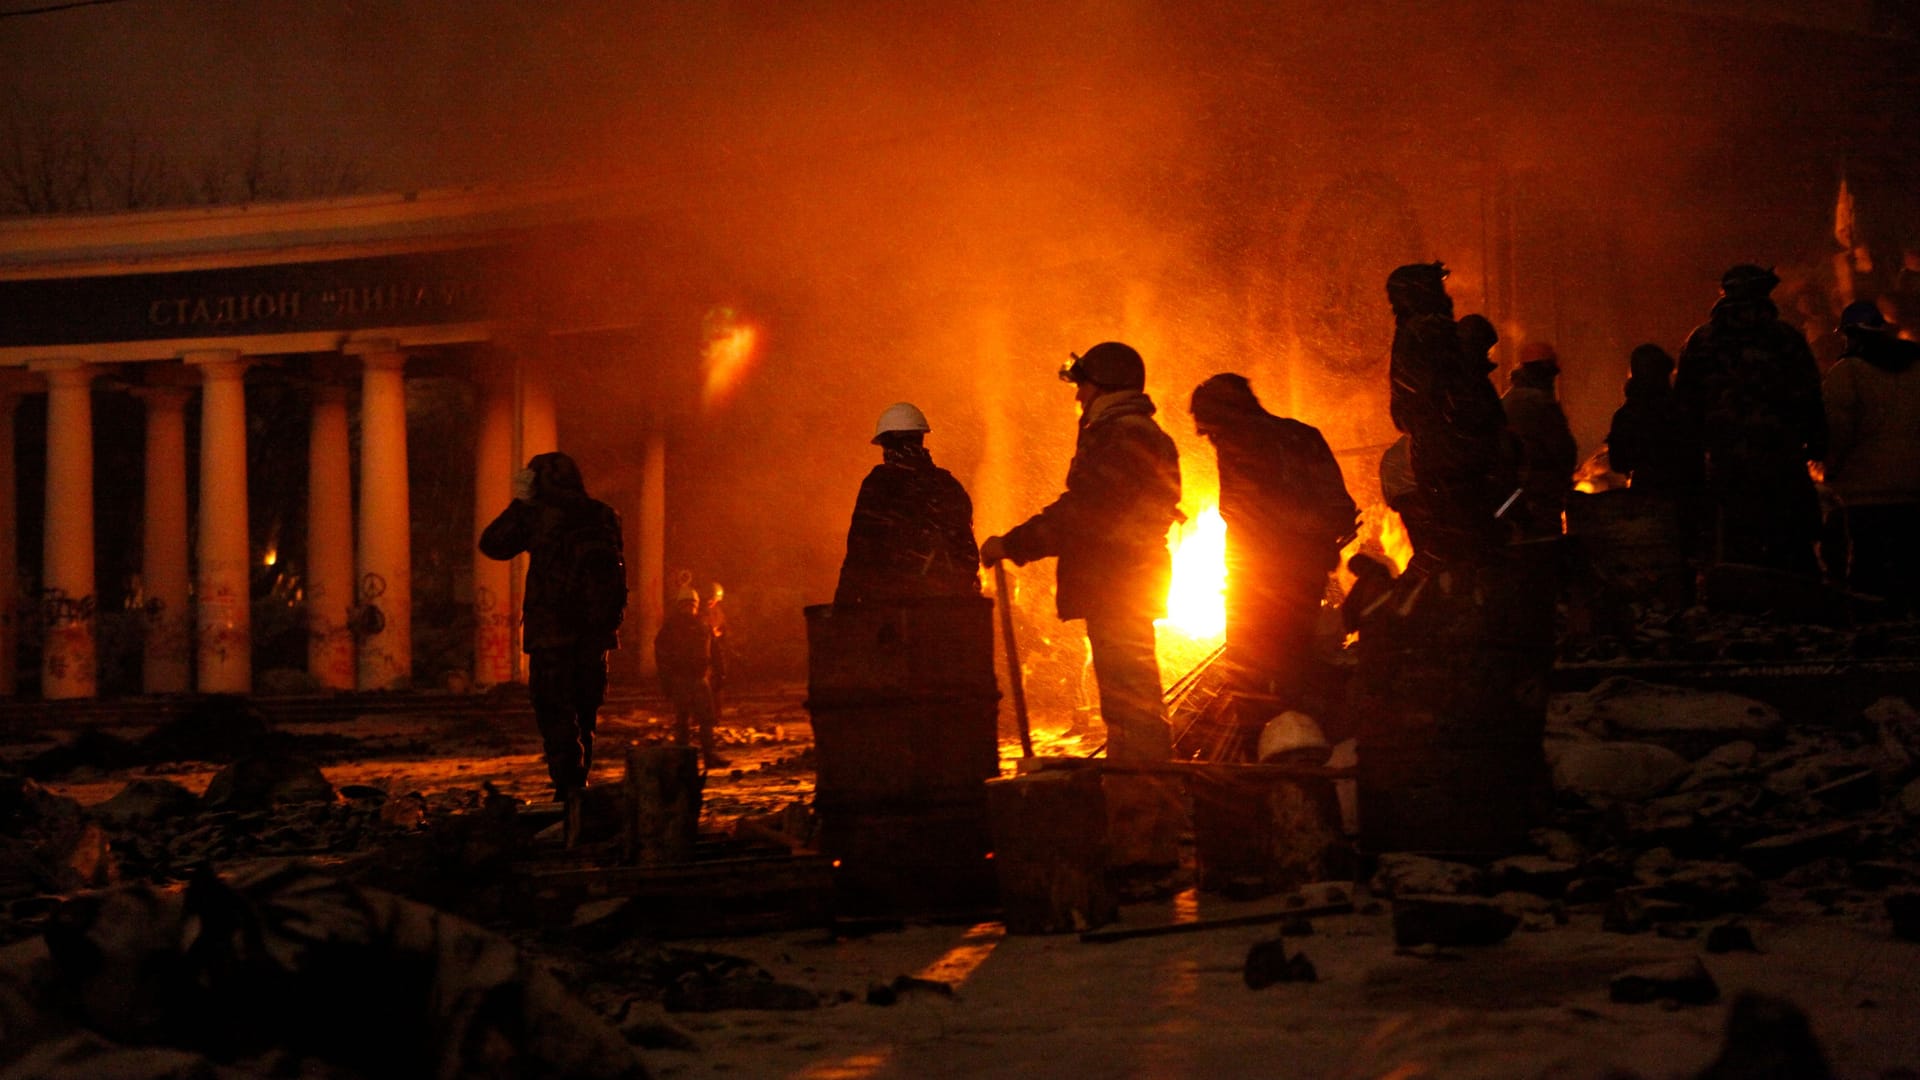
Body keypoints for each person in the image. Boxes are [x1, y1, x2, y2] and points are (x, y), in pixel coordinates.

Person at [981, 341, 1183, 883]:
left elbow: (1084, 515)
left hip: (1119, 585)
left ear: (1104, 385)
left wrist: (1015, 543)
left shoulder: (1120, 438)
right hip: (1124, 585)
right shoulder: (1133, 436)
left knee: (1133, 712)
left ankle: (1144, 845)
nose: (1078, 396)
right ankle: (1145, 836)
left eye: (1083, 385)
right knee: (1132, 708)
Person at [1189, 372, 1355, 728]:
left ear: (1224, 419)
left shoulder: (1239, 444)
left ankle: (1266, 757)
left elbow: (1248, 520)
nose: (1212, 441)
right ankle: (1303, 742)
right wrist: (1315, 551)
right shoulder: (1302, 436)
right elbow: (1340, 509)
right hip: (1303, 581)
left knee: (1253, 683)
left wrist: (1250, 575)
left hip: (1258, 588)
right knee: (1296, 666)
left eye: (1211, 432)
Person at [479, 452, 625, 802]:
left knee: (555, 710)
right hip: (595, 634)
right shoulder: (604, 515)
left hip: (551, 632)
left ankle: (569, 785)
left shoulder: (537, 514)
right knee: (585, 710)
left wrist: (521, 500)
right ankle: (581, 781)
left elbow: (493, 544)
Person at [1674, 264, 1827, 576]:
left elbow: (1685, 403)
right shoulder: (1786, 339)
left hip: (1726, 457)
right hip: (1781, 453)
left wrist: (1691, 454)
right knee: (1790, 538)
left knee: (1736, 537)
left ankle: (1742, 602)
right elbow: (1810, 394)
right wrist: (1817, 441)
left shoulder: (1702, 341)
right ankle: (1798, 603)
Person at [1386, 263, 1516, 566]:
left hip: (1437, 461)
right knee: (1475, 550)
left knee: (1454, 549)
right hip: (1459, 464)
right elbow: (1459, 402)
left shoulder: (1410, 337)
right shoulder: (1433, 335)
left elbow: (1404, 412)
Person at [1822, 300, 1920, 612]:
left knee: (1869, 569)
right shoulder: (1917, 369)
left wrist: (1831, 468)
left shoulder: (1847, 373)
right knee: (1911, 566)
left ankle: (1875, 630)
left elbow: (1836, 432)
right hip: (1914, 488)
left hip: (1866, 493)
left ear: (1852, 335)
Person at [834, 402, 980, 605]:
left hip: (894, 615)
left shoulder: (880, 484)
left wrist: (842, 608)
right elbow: (968, 556)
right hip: (948, 614)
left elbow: (859, 554)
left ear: (887, 443)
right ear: (921, 438)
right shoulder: (949, 485)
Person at [1501, 342, 1579, 539]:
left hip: (1513, 496)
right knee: (1543, 551)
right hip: (1539, 495)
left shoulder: (1507, 400)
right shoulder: (1540, 402)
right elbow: (1563, 450)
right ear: (1544, 371)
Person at [1605, 344, 1705, 496]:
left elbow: (1618, 462)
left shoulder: (1628, 414)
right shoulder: (1682, 410)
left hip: (1648, 500)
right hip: (1684, 498)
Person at [655, 586, 727, 769]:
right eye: (687, 604)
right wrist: (666, 681)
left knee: (706, 719)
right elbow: (662, 656)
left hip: (699, 679)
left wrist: (720, 672)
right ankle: (685, 761)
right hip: (682, 679)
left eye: (692, 604)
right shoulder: (671, 628)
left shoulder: (702, 626)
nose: (690, 608)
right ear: (680, 606)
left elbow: (715, 651)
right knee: (683, 721)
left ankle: (708, 757)